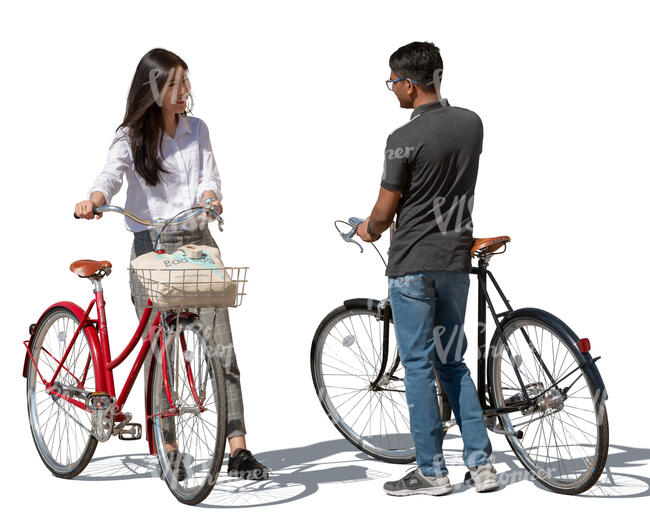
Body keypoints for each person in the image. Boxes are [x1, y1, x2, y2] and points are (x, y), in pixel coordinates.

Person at [74, 48, 268, 481]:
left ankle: (237, 448)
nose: (186, 91)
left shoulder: (197, 129)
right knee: (163, 355)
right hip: (151, 247)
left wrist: (211, 198)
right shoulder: (130, 136)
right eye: (176, 84)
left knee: (221, 348)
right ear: (155, 89)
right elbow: (111, 174)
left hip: (198, 242)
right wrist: (95, 200)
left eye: (186, 82)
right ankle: (170, 447)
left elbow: (209, 177)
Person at [356, 41, 498, 495]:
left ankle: (432, 472)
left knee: (418, 366)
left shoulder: (401, 139)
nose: (392, 90)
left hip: (414, 265)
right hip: (455, 262)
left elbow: (383, 211)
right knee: (453, 362)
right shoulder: (472, 124)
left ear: (410, 84)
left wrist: (369, 229)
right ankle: (482, 467)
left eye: (393, 82)